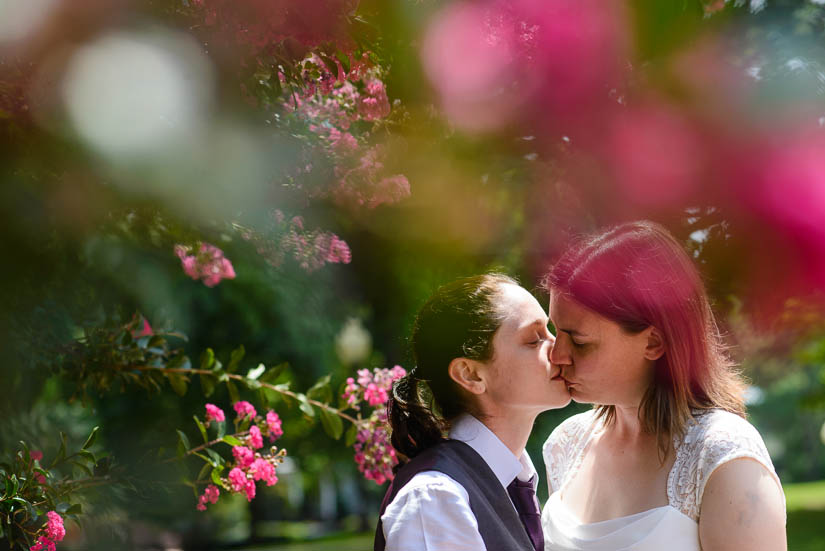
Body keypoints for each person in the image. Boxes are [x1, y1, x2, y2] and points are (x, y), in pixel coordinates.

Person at [540, 220, 786, 551]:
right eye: (557, 330)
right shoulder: (564, 444)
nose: (557, 355)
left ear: (654, 342)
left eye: (580, 342)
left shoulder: (721, 455)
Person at [375, 273, 571, 551]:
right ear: (470, 374)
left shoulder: (512, 482)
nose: (560, 349)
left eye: (550, 331)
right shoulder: (435, 499)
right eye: (533, 340)